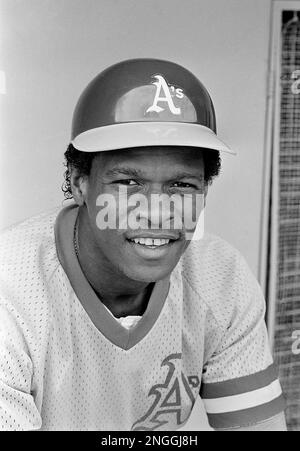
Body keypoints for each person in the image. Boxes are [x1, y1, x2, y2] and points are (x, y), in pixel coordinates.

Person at [0, 59, 286, 431]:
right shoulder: (12, 294)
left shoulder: (221, 278)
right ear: (78, 182)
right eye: (128, 183)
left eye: (182, 185)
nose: (157, 213)